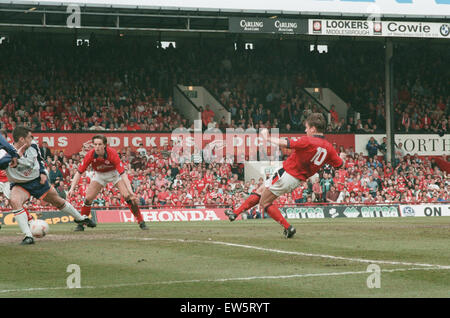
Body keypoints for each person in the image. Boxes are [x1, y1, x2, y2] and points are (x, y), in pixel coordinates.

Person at [225, 113, 345, 238]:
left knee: (264, 203)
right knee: (261, 190)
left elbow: (286, 143)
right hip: (296, 180)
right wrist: (341, 158)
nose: (305, 130)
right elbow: (340, 165)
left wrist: (267, 138)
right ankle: (235, 213)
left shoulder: (308, 140)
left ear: (313, 129)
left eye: (307, 127)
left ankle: (288, 227)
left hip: (286, 174)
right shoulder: (329, 148)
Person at [4, 126, 95, 245]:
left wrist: (42, 172)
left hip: (37, 181)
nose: (32, 139)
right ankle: (28, 236)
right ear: (21, 139)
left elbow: (40, 160)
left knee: (58, 201)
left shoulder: (34, 145)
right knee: (15, 201)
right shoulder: (6, 152)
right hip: (19, 184)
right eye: (29, 137)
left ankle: (80, 219)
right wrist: (12, 157)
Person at [68, 134, 148, 231]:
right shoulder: (90, 155)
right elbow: (79, 173)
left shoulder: (112, 154)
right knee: (88, 198)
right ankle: (81, 224)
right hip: (99, 175)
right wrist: (71, 189)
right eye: (95, 144)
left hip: (114, 174)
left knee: (127, 196)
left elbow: (123, 174)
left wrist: (131, 192)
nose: (97, 147)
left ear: (105, 145)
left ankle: (141, 221)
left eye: (99, 144)